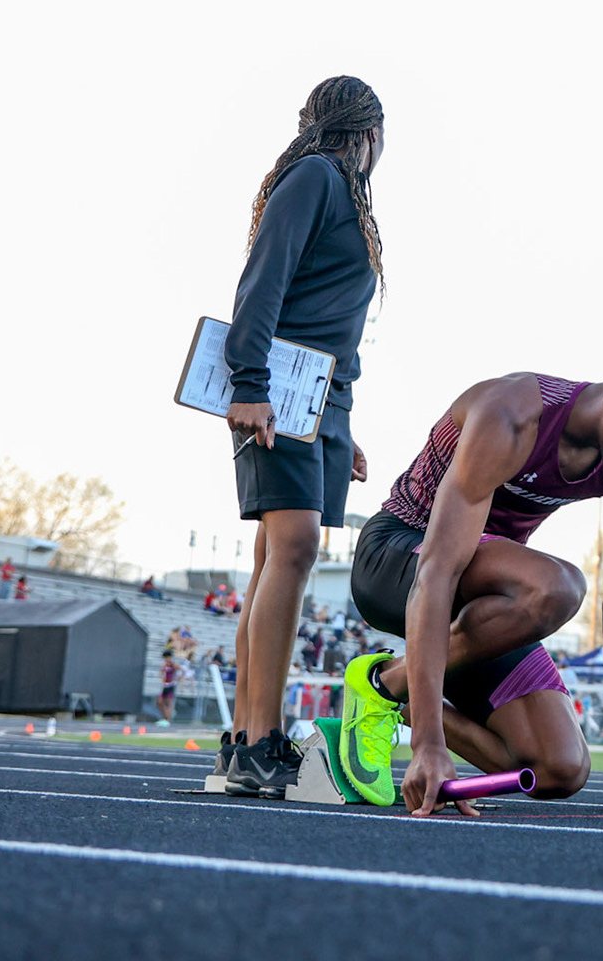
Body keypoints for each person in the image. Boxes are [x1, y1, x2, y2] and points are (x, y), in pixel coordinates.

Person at [339, 338, 603, 817]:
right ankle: (410, 705)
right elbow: (437, 571)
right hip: (399, 559)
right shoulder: (512, 415)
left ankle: (386, 687)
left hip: (484, 601)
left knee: (559, 769)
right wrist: (428, 744)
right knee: (556, 588)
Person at [219, 76, 385, 800]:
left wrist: (343, 428)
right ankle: (260, 741)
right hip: (278, 389)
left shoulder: (345, 192)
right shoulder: (316, 176)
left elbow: (329, 316)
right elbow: (263, 283)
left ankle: (244, 745)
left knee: (274, 556)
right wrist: (249, 383)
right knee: (292, 548)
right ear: (370, 132)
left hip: (323, 401)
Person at [156, 656, 178, 726]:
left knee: (168, 702)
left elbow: (181, 671)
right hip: (165, 686)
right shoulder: (164, 666)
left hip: (171, 686)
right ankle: (165, 717)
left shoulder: (173, 665)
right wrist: (161, 678)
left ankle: (167, 720)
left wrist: (176, 679)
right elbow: (161, 673)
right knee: (160, 702)